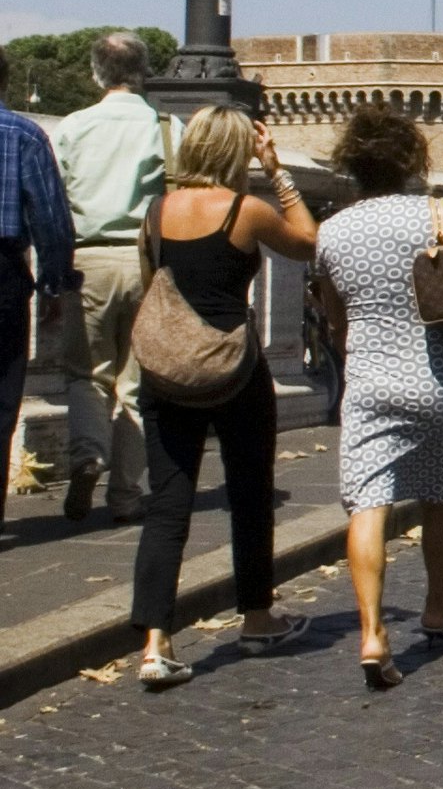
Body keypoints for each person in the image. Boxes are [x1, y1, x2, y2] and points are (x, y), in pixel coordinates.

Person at [129, 108, 320, 687]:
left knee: (168, 505)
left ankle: (155, 644)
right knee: (249, 493)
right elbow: (307, 242)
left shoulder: (156, 212)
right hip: (235, 370)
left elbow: (150, 286)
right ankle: (258, 618)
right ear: (236, 152)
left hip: (167, 371)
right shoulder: (247, 210)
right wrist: (278, 170)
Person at [313, 107, 443, 687]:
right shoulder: (437, 212)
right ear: (411, 160)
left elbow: (336, 318)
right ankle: (436, 607)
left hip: (368, 381)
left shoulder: (332, 231)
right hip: (435, 378)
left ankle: (372, 633)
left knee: (368, 507)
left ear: (351, 165)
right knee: (441, 498)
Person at [50, 31, 166, 523]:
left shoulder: (73, 127)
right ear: (143, 72)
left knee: (85, 375)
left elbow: (55, 203)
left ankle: (87, 456)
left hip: (87, 258)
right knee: (135, 384)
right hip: (143, 262)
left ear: (96, 73)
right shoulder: (166, 128)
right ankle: (124, 496)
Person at [0, 50, 77, 554]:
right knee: (2, 401)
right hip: (3, 273)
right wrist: (54, 283)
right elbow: (50, 220)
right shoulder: (23, 135)